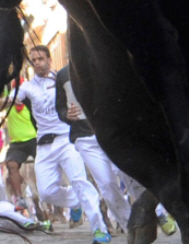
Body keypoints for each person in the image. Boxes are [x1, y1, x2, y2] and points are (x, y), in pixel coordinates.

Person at [16, 46, 111, 244]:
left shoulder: (61, 80)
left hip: (66, 140)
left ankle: (100, 230)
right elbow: (9, 100)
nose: (37, 63)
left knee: (79, 181)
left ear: (49, 60)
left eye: (40, 58)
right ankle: (77, 202)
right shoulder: (27, 87)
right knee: (46, 193)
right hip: (44, 145)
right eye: (34, 60)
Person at [55, 64, 132, 233]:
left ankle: (157, 212)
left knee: (130, 175)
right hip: (85, 138)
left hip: (111, 133)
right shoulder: (63, 75)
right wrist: (66, 114)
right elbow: (60, 107)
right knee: (107, 184)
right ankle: (132, 228)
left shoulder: (102, 63)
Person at [3, 87, 37, 213]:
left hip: (34, 140)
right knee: (11, 164)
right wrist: (8, 100)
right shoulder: (9, 106)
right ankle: (19, 198)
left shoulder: (31, 105)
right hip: (17, 143)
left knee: (43, 162)